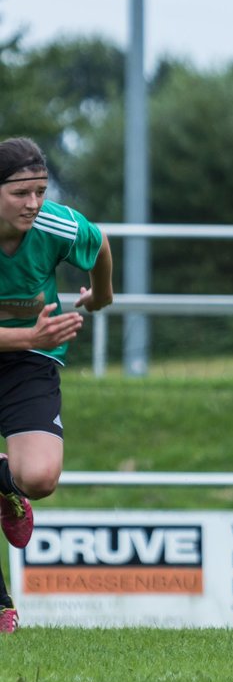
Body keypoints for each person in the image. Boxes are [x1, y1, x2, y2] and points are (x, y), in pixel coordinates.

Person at [0, 137, 114, 634]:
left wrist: (102, 295)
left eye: (40, 191)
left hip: (29, 359)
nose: (32, 204)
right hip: (29, 339)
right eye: (20, 192)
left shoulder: (54, 224)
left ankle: (7, 482)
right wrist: (31, 332)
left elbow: (99, 243)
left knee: (41, 478)